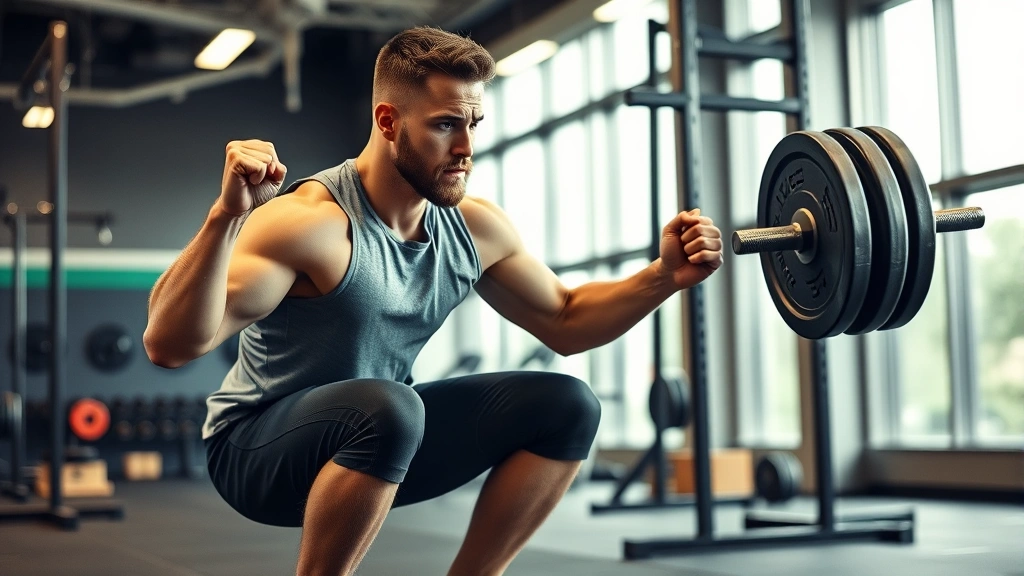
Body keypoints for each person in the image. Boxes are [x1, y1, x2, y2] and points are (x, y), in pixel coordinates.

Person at [144, 26, 723, 576]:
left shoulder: (473, 227)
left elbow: (566, 320)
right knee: (392, 408)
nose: (466, 147)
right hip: (254, 451)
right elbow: (170, 345)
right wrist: (227, 216)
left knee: (567, 404)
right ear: (388, 121)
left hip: (377, 437)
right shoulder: (309, 224)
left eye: (474, 123)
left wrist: (663, 276)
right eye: (447, 125)